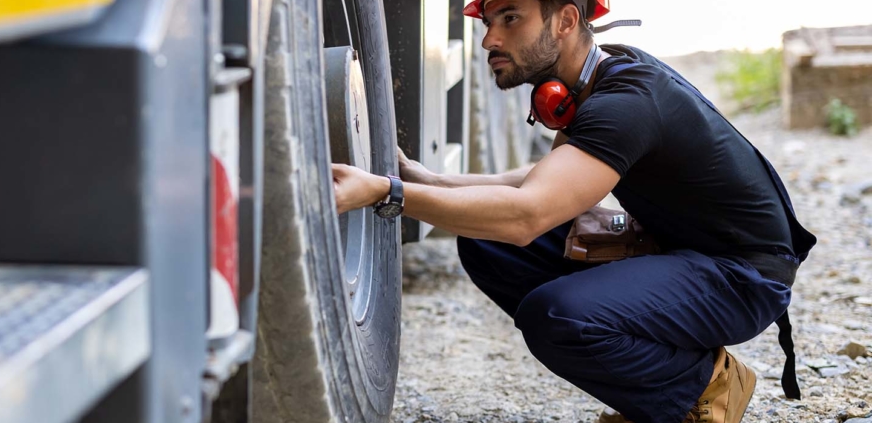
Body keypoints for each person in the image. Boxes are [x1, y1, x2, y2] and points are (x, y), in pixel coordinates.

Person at [331, 0, 818, 422]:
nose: (489, 39)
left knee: (556, 316)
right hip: (686, 252)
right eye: (487, 23)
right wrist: (428, 179)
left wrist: (386, 193)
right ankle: (664, 375)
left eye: (510, 18)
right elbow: (542, 177)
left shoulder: (625, 102)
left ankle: (702, 388)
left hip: (742, 277)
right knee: (485, 241)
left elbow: (526, 215)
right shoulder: (597, 81)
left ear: (565, 20)